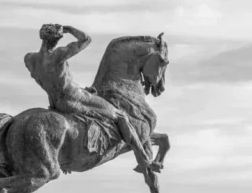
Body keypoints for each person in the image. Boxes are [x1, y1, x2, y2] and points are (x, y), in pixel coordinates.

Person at [24, 24, 157, 171]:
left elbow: (51, 80)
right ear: (57, 39)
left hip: (55, 102)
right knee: (121, 116)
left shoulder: (30, 59)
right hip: (74, 97)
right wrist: (68, 29)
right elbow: (86, 39)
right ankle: (143, 159)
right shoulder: (58, 55)